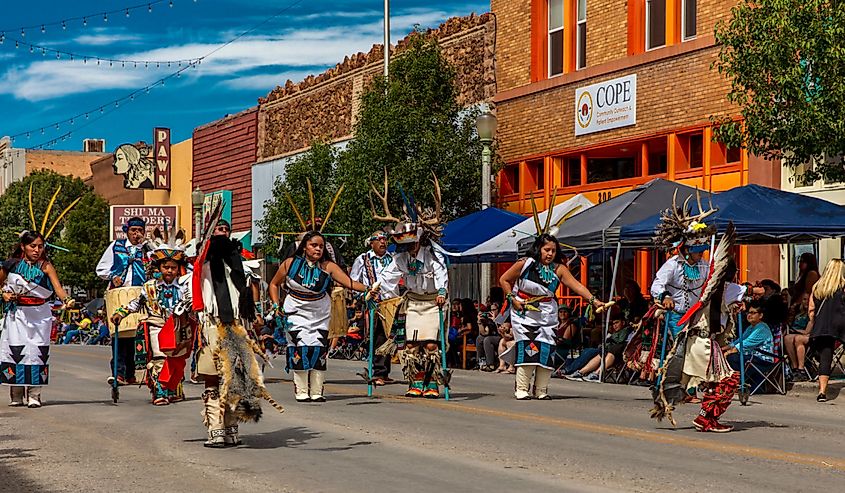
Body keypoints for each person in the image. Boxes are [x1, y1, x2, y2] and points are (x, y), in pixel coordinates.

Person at [649, 194, 743, 433]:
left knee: (701, 368)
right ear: (686, 248)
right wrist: (665, 298)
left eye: (703, 250)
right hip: (678, 317)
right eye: (697, 250)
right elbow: (657, 286)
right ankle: (682, 396)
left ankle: (693, 399)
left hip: (701, 316)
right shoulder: (672, 265)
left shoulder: (705, 266)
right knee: (681, 359)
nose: (701, 254)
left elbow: (716, 289)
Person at [193, 210, 282, 448]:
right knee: (212, 377)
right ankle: (216, 429)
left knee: (236, 377)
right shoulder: (201, 266)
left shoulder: (241, 269)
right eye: (217, 232)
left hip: (238, 326)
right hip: (211, 324)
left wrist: (255, 320)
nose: (222, 235)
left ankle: (231, 428)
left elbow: (250, 301)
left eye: (225, 231)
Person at [269, 231, 377, 402]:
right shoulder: (290, 264)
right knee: (300, 348)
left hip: (320, 311)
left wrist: (369, 289)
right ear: (304, 247)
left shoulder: (328, 267)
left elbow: (349, 283)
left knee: (319, 349)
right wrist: (276, 305)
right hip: (295, 311)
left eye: (321, 246)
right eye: (314, 245)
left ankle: (317, 391)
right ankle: (302, 390)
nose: (318, 249)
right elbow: (273, 284)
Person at [371, 171, 450, 398]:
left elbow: (441, 272)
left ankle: (433, 383)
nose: (408, 247)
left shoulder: (432, 254)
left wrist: (442, 291)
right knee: (412, 345)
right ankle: (415, 382)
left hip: (433, 303)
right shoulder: (400, 258)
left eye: (410, 242)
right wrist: (375, 290)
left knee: (431, 345)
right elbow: (387, 277)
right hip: (413, 304)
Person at [499, 232, 604, 400]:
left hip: (547, 313)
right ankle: (521, 388)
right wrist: (512, 299)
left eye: (553, 251)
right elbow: (504, 280)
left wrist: (593, 300)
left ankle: (541, 389)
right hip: (524, 312)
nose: (550, 254)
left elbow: (577, 286)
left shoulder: (559, 269)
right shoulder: (525, 264)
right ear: (538, 249)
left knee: (547, 350)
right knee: (528, 347)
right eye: (546, 249)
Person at [112, 226, 191, 405]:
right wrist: (121, 313)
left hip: (178, 327)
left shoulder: (185, 287)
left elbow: (192, 305)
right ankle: (160, 391)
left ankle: (174, 389)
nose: (169, 271)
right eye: (166, 267)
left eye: (173, 267)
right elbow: (136, 303)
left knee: (177, 360)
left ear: (178, 268)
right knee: (159, 358)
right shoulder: (149, 287)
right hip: (157, 325)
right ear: (159, 267)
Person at [1, 231, 74, 408]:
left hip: (40, 315)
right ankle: (16, 394)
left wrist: (67, 300)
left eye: (40, 246)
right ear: (23, 247)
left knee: (36, 353)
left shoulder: (46, 266)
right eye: (32, 246)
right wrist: (4, 294)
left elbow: (58, 288)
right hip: (16, 314)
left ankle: (35, 394)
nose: (36, 250)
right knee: (16, 351)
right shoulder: (11, 265)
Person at [97, 216, 151, 385]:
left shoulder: (147, 250)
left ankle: (131, 372)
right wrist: (113, 277)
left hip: (139, 295)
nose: (137, 234)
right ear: (127, 231)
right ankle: (118, 372)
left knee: (137, 335)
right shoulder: (116, 246)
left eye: (140, 231)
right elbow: (101, 269)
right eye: (133, 231)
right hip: (119, 295)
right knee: (119, 334)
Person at [350, 231, 399, 385]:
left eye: (385, 240)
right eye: (379, 240)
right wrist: (360, 296)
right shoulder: (363, 259)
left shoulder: (394, 259)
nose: (383, 243)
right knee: (377, 336)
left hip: (392, 302)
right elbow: (353, 280)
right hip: (373, 303)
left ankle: (384, 372)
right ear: (371, 243)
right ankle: (377, 371)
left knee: (390, 337)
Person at [806, 259, 845, 402]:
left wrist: (815, 322)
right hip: (841, 323)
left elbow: (811, 311)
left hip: (823, 326)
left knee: (825, 358)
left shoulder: (817, 287)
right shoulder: (843, 286)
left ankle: (822, 392)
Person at [564, 309, 631, 382]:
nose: (614, 325)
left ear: (623, 322)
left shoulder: (625, 330)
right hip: (605, 349)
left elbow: (619, 341)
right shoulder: (614, 332)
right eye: (613, 324)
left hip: (615, 352)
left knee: (590, 351)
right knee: (588, 351)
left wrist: (610, 337)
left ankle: (571, 370)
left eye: (617, 323)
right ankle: (580, 372)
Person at [723, 300, 774, 373]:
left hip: (763, 360)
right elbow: (739, 340)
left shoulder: (762, 328)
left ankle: (739, 380)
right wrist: (723, 348)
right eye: (748, 312)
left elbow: (745, 344)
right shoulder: (751, 327)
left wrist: (728, 352)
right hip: (752, 357)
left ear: (760, 315)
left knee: (731, 358)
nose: (749, 315)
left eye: (753, 313)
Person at [783, 292, 811, 381]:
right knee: (787, 338)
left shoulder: (812, 314)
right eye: (804, 299)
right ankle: (794, 367)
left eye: (808, 299)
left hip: (809, 335)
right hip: (795, 333)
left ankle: (801, 369)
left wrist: (795, 330)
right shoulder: (798, 313)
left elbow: (807, 332)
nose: (806, 302)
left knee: (798, 338)